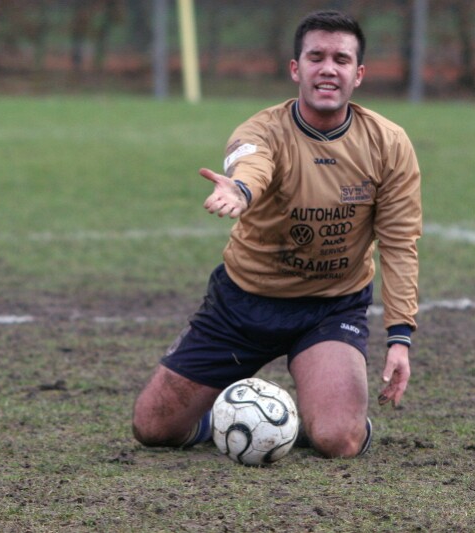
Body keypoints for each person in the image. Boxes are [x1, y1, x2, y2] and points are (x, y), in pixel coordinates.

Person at [132, 10, 422, 458]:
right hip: (242, 303)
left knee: (338, 440)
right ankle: (219, 422)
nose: (328, 68)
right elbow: (251, 164)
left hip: (330, 307)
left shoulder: (389, 143)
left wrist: (400, 336)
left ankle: (322, 418)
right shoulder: (261, 131)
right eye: (316, 57)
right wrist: (241, 189)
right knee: (153, 428)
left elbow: (400, 242)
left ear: (359, 74)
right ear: (295, 69)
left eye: (341, 59)